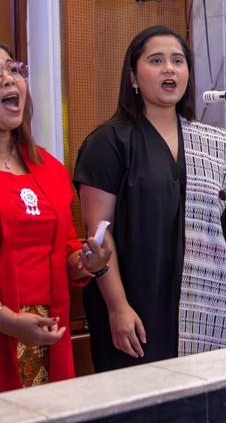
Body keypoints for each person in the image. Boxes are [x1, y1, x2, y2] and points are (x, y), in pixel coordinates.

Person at [73, 26, 226, 372]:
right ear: (133, 76)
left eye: (178, 61)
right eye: (156, 61)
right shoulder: (108, 142)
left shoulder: (214, 143)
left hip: (206, 305)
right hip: (136, 306)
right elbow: (99, 235)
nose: (169, 69)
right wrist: (118, 307)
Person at [0, 44, 110, 391]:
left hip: (48, 333)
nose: (8, 79)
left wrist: (87, 262)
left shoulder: (49, 168)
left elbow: (66, 252)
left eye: (12, 69)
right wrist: (9, 321)